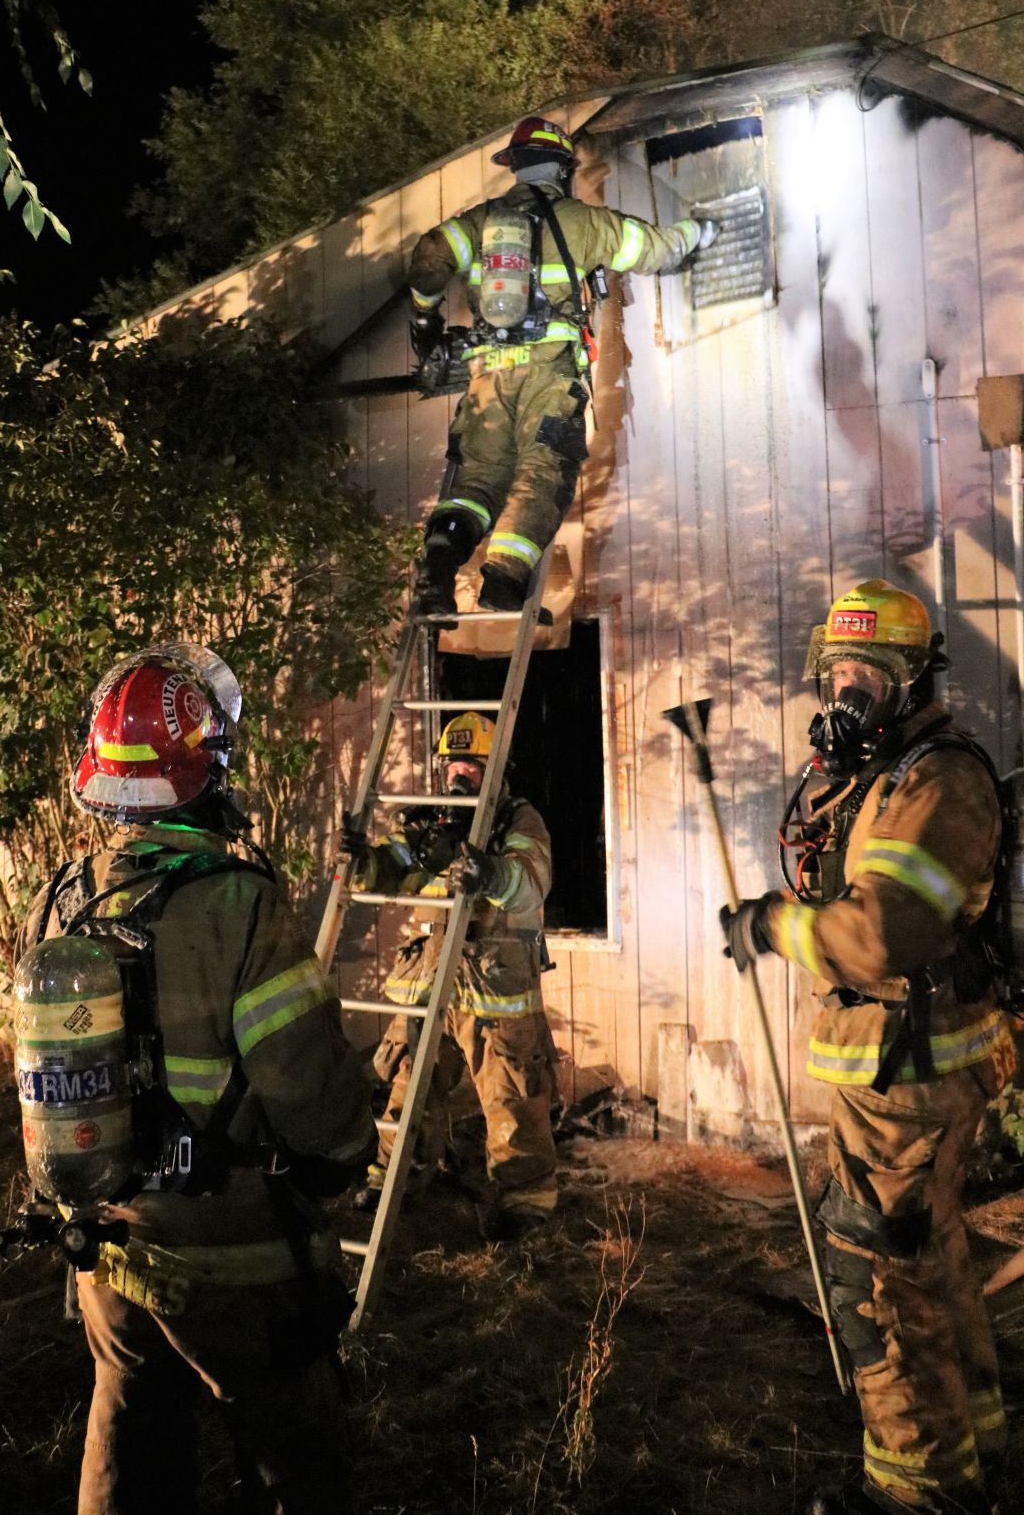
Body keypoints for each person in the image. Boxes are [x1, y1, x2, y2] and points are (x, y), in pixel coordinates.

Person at [19, 643, 376, 1515]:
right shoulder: (238, 902)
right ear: (207, 765)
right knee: (298, 1454)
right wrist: (342, 1155)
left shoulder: (60, 898)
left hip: (106, 1240)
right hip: (238, 1258)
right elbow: (307, 1087)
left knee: (131, 1436)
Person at [720, 581, 1017, 1515]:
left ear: (912, 679)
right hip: (895, 1072)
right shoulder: (885, 775)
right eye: (837, 673)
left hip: (913, 1079)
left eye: (868, 675)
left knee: (877, 1278)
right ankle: (975, 1451)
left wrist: (774, 926)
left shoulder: (939, 780)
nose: (845, 692)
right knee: (929, 1261)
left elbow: (884, 933)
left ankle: (913, 1491)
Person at [408, 113, 717, 614]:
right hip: (548, 374)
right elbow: (659, 249)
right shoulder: (584, 223)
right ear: (561, 169)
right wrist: (698, 231)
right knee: (544, 470)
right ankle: (503, 582)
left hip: (487, 375)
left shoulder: (479, 222)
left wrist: (424, 320)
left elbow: (428, 256)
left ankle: (434, 581)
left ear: (516, 167)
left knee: (475, 483)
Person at [341, 712, 557, 1236]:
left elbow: (531, 884)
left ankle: (524, 1202)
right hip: (430, 978)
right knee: (409, 1085)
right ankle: (393, 1179)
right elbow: (390, 866)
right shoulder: (435, 818)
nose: (460, 775)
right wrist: (361, 860)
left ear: (497, 769)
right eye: (453, 765)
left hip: (494, 985)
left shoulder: (518, 821)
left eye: (473, 766)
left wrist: (491, 871)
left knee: (510, 1096)